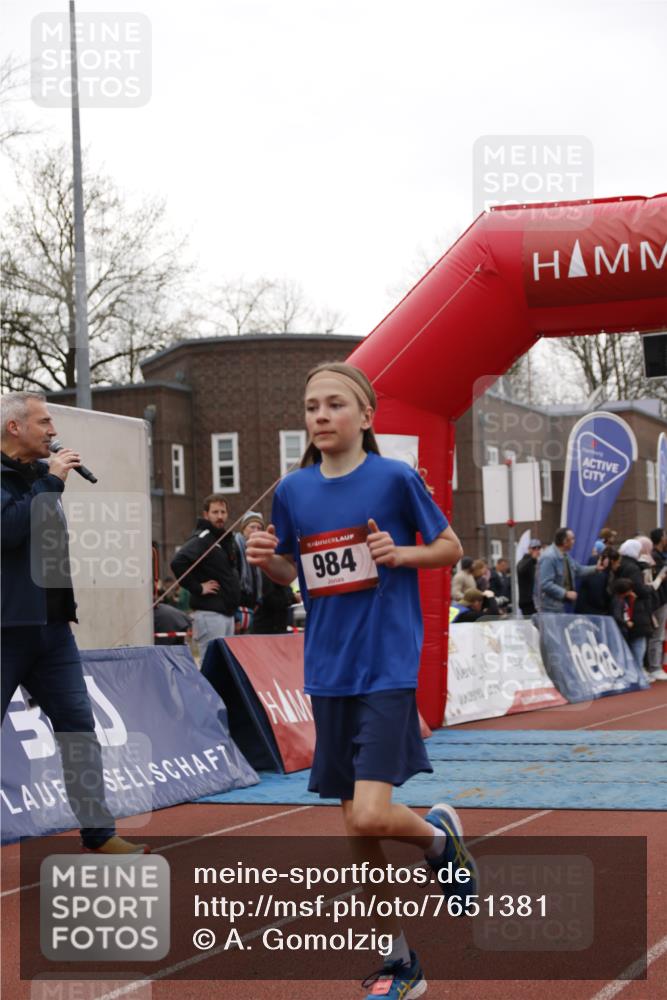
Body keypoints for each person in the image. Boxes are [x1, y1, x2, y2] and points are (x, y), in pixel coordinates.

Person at [246, 361, 476, 1000]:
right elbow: (295, 576)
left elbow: (451, 547)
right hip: (328, 667)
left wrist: (401, 553)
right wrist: (270, 563)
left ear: (366, 417)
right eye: (312, 406)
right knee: (357, 830)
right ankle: (399, 961)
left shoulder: (395, 479)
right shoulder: (294, 491)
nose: (320, 416)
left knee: (372, 812)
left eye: (335, 405)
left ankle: (437, 841)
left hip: (386, 662)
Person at [1, 392, 147, 854]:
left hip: (51, 630)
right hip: (5, 631)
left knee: (78, 727)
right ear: (14, 428)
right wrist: (50, 485)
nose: (52, 430)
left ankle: (99, 835)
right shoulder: (31, 482)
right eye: (43, 422)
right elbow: (6, 531)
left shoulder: (42, 478)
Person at [171, 494, 241, 661]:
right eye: (215, 512)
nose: (219, 516)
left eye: (223, 512)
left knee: (226, 666)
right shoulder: (203, 538)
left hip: (226, 614)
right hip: (210, 614)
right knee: (210, 665)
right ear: (206, 515)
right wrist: (198, 587)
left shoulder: (224, 539)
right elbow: (178, 562)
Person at [618, 539, 655, 681]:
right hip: (636, 609)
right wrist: (649, 588)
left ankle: (633, 672)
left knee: (630, 641)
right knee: (639, 640)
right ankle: (638, 672)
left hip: (626, 608)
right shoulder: (633, 569)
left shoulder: (622, 564)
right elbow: (640, 589)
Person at [538, 527, 598, 613]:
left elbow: (579, 570)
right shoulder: (549, 557)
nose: (574, 542)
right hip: (550, 609)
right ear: (565, 541)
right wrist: (565, 593)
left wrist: (597, 568)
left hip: (559, 606)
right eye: (572, 539)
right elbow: (545, 583)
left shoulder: (565, 556)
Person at [648, 528, 667, 680]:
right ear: (661, 538)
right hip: (657, 600)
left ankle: (655, 666)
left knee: (658, 634)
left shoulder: (660, 556)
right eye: (665, 535)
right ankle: (654, 667)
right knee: (657, 634)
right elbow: (655, 581)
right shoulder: (654, 557)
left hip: (661, 598)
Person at [517, 539, 541, 616]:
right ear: (529, 549)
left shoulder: (537, 563)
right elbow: (521, 569)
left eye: (538, 548)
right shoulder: (524, 561)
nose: (536, 550)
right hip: (527, 602)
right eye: (534, 548)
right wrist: (532, 559)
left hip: (536, 601)